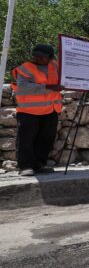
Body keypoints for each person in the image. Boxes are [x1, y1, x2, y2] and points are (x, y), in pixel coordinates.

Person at [12, 44, 63, 176]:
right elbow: (23, 87)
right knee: (26, 140)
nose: (37, 58)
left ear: (50, 57)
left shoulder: (56, 66)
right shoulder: (25, 68)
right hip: (28, 110)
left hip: (50, 109)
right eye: (35, 55)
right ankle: (25, 166)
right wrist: (48, 87)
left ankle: (39, 165)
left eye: (42, 56)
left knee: (46, 139)